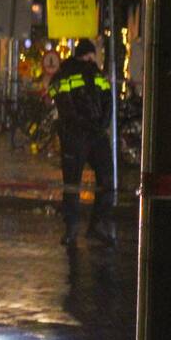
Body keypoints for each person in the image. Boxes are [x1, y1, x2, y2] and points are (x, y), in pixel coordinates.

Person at [48, 39, 117, 247]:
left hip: (87, 135)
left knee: (96, 182)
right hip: (77, 135)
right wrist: (97, 125)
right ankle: (74, 229)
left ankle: (85, 228)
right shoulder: (67, 73)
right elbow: (65, 104)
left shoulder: (95, 74)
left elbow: (107, 100)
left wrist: (99, 125)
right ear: (87, 54)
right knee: (76, 184)